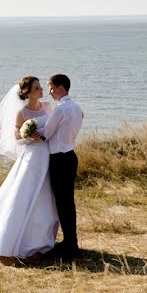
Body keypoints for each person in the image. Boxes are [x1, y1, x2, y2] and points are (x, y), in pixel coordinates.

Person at [0, 76, 58, 262]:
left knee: (46, 199)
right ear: (28, 92)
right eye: (37, 88)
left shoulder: (48, 107)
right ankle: (14, 243)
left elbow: (54, 128)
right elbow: (18, 138)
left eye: (40, 87)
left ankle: (42, 242)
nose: (41, 90)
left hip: (48, 155)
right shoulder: (22, 113)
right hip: (32, 157)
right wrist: (30, 137)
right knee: (26, 196)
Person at [41, 73, 84, 258]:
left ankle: (69, 244)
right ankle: (71, 241)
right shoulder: (77, 108)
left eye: (51, 87)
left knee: (62, 202)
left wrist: (29, 129)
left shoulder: (60, 109)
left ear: (60, 88)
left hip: (59, 159)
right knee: (68, 202)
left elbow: (47, 133)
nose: (49, 92)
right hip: (71, 156)